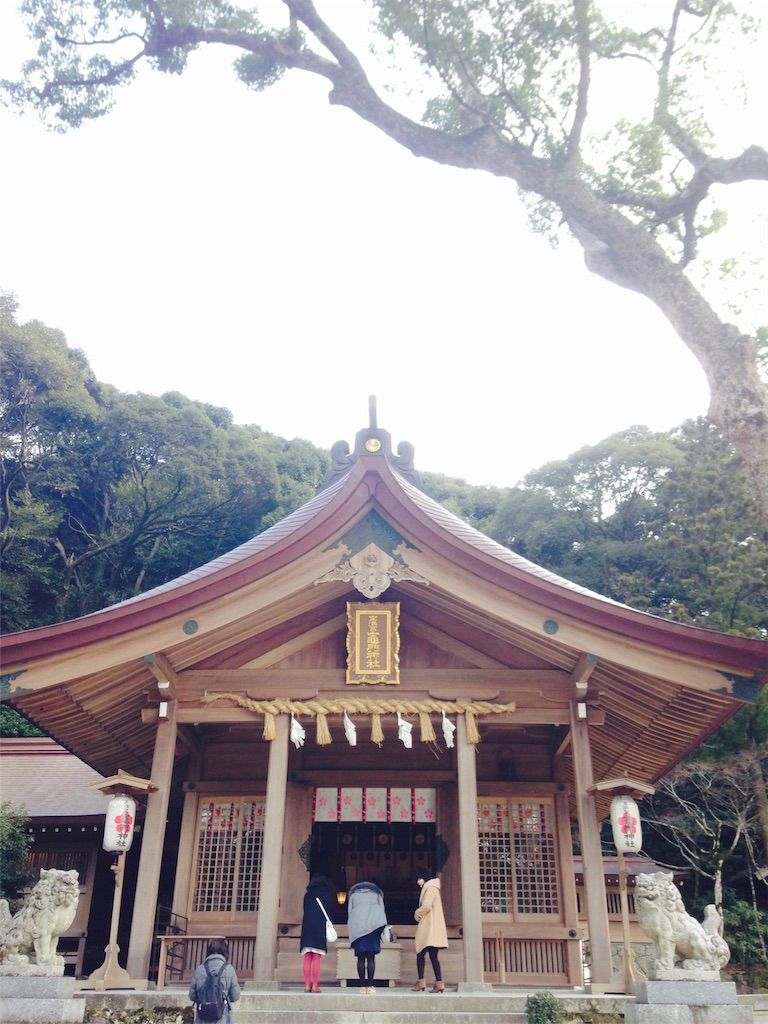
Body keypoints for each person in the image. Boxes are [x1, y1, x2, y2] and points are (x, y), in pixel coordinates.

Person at [346, 879, 388, 994]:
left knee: (360, 958)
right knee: (371, 958)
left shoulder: (353, 896)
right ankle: (369, 985)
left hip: (358, 929)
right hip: (373, 928)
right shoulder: (377, 895)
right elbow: (382, 911)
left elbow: (350, 914)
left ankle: (361, 986)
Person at [188, 938, 241, 1023]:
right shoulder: (229, 969)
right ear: (225, 952)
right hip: (223, 1017)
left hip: (202, 1017)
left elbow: (192, 996)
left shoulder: (200, 969)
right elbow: (235, 996)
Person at [299, 872, 334, 993]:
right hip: (319, 927)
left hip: (307, 927)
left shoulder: (307, 896)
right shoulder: (326, 895)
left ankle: (307, 985)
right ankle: (315, 985)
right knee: (316, 957)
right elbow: (329, 910)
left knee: (307, 957)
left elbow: (305, 909)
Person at [412, 874, 448, 993]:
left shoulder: (430, 888)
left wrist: (417, 913)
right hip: (433, 927)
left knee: (420, 953)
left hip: (429, 926)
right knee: (433, 956)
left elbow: (426, 906)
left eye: (419, 879)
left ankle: (421, 981)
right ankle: (439, 983)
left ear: (424, 878)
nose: (418, 882)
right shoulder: (432, 887)